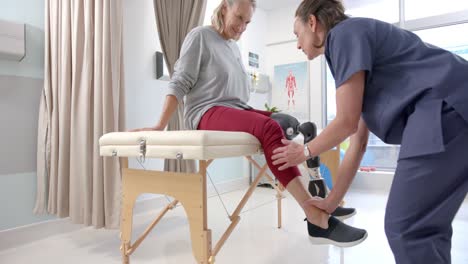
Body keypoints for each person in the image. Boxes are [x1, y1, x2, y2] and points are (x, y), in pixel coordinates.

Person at [131, 0, 367, 247]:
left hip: (234, 108)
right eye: (239, 18)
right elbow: (180, 82)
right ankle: (315, 215)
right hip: (206, 111)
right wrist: (160, 125)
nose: (242, 27)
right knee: (269, 128)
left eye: (247, 22)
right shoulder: (200, 36)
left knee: (289, 122)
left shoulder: (232, 47)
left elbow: (238, 95)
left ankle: (322, 199)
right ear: (224, 8)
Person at [272, 0, 468, 263]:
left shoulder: (342, 35)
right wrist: (330, 204)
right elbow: (358, 144)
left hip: (444, 110)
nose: (297, 44)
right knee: (427, 229)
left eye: (297, 34)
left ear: (312, 22)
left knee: (406, 227)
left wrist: (304, 151)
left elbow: (345, 122)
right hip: (454, 108)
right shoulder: (362, 54)